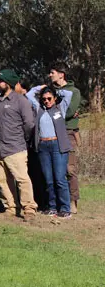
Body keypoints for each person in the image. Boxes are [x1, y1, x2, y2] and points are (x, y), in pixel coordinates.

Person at [0, 66, 37, 219]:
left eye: (0, 80)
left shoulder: (21, 101)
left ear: (8, 83)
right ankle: (10, 207)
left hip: (15, 147)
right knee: (2, 181)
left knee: (22, 179)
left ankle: (29, 209)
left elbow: (29, 124)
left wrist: (21, 138)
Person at [26, 84, 74, 218]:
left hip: (57, 146)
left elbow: (69, 94)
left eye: (49, 98)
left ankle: (65, 208)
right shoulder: (39, 109)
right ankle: (52, 206)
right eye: (44, 99)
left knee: (59, 178)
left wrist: (54, 90)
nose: (46, 101)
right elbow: (29, 95)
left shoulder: (60, 108)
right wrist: (40, 87)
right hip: (43, 146)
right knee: (48, 179)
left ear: (54, 98)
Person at [48, 62, 81, 213]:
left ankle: (73, 202)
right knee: (55, 170)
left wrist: (55, 113)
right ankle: (58, 202)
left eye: (52, 72)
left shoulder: (74, 91)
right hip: (52, 132)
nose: (50, 75)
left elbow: (70, 112)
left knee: (69, 169)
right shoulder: (49, 91)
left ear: (61, 74)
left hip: (68, 132)